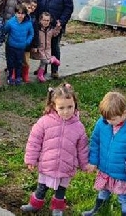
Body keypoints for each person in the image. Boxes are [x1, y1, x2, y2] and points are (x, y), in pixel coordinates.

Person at [20, 84, 90, 215]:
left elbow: (82, 148)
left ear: (75, 104)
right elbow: (34, 141)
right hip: (48, 164)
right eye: (61, 108)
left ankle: (57, 209)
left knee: (61, 191)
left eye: (70, 107)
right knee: (41, 188)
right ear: (54, 106)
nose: (66, 111)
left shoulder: (78, 127)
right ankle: (34, 205)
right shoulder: (44, 122)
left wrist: (85, 164)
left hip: (66, 166)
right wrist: (31, 159)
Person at [82, 92, 126, 216]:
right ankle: (97, 210)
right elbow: (95, 142)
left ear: (124, 113)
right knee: (103, 191)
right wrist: (93, 161)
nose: (109, 122)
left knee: (124, 198)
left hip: (122, 173)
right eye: (106, 119)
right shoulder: (103, 123)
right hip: (105, 170)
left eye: (113, 119)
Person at [34, 0, 73, 79]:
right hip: (42, 25)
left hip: (56, 25)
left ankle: (54, 70)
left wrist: (61, 22)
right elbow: (36, 6)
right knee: (43, 46)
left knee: (54, 46)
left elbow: (68, 8)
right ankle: (43, 68)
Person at [4, 3, 34, 85]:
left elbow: (31, 34)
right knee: (10, 62)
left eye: (22, 13)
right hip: (11, 46)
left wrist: (27, 42)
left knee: (19, 62)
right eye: (18, 13)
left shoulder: (28, 23)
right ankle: (10, 76)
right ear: (15, 13)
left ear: (25, 14)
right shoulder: (10, 22)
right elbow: (5, 31)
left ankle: (18, 77)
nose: (20, 15)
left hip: (21, 47)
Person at [30, 12, 62, 83]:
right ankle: (53, 59)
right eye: (44, 20)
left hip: (47, 49)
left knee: (44, 62)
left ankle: (40, 75)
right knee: (44, 61)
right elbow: (34, 37)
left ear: (50, 21)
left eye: (47, 20)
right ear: (40, 20)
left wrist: (58, 27)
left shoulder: (50, 30)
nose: (46, 22)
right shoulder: (38, 29)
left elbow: (55, 33)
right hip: (40, 49)